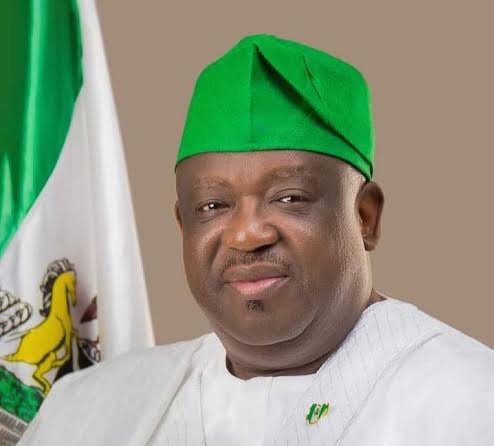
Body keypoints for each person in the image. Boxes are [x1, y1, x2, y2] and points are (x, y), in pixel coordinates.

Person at [19, 34, 494, 446]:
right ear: (183, 226)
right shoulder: (86, 410)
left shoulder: (471, 401)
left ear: (365, 217)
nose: (247, 235)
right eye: (212, 206)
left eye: (289, 198)